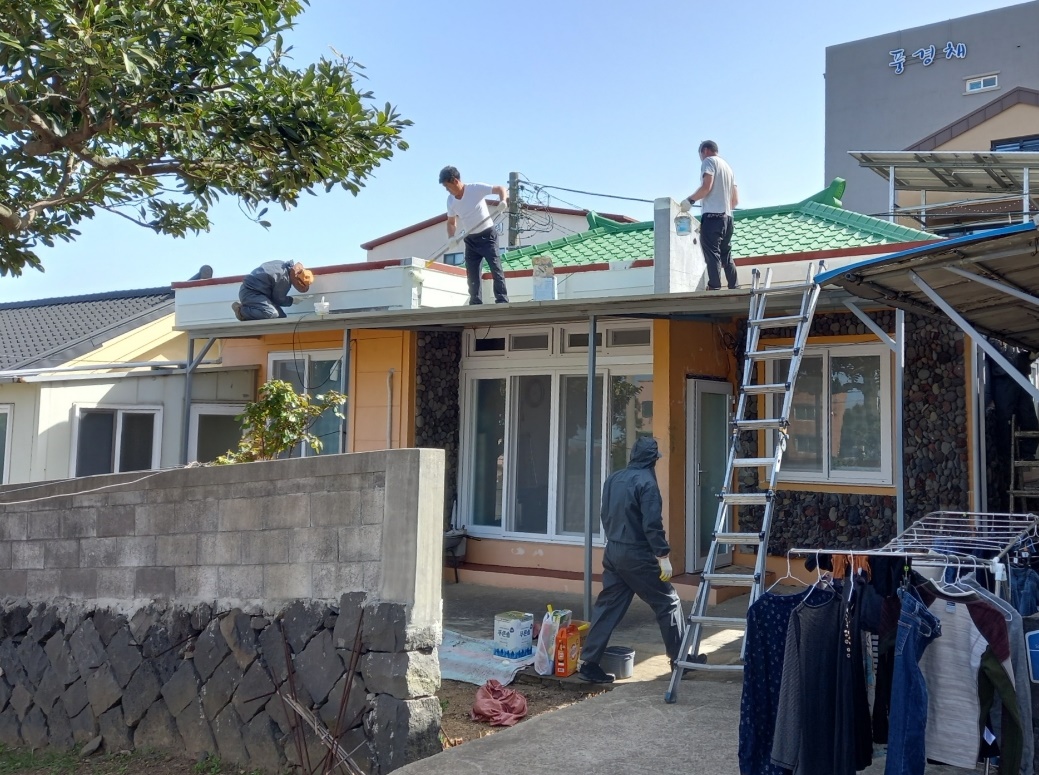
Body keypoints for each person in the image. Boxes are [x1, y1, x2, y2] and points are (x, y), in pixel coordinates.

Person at [578, 436, 685, 684]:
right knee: (668, 602)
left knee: (608, 606)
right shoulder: (647, 483)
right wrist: (663, 555)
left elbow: (605, 513)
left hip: (613, 549)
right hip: (636, 554)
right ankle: (680, 660)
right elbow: (652, 524)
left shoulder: (614, 478)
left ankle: (589, 663)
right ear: (653, 459)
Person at [440, 166, 510, 305]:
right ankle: (475, 302)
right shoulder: (450, 201)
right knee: (472, 273)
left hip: (487, 235)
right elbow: (451, 222)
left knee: (495, 267)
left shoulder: (475, 189)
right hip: (470, 239)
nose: (447, 190)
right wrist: (451, 237)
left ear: (454, 181)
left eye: (447, 186)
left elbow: (501, 189)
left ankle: (502, 300)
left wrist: (503, 201)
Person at [682, 140, 739, 290]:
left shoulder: (708, 161)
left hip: (713, 216)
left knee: (711, 252)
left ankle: (714, 286)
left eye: (700, 155)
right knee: (725, 253)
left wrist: (690, 200)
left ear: (705, 151)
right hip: (728, 218)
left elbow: (706, 187)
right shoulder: (728, 168)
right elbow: (735, 201)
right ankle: (734, 285)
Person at [231, 260, 313, 321]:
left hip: (260, 294)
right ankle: (241, 311)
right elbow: (278, 299)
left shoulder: (283, 266)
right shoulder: (284, 279)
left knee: (281, 318)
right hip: (251, 293)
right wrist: (292, 300)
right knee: (271, 313)